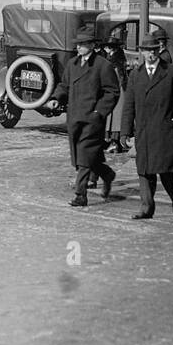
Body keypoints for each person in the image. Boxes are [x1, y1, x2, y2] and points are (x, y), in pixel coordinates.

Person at [120, 29, 173, 219]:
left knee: (166, 173)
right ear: (141, 52)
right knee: (144, 172)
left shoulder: (172, 72)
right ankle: (146, 208)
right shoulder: (135, 75)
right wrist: (125, 132)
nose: (150, 54)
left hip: (165, 132)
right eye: (146, 50)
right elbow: (129, 106)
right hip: (143, 132)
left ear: (158, 50)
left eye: (153, 50)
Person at [49, 26, 120, 208]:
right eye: (78, 44)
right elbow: (64, 85)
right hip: (74, 118)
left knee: (83, 155)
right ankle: (107, 174)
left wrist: (99, 113)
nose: (79, 47)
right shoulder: (72, 64)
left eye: (82, 44)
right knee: (86, 156)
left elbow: (112, 92)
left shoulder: (103, 65)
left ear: (92, 45)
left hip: (92, 120)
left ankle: (81, 194)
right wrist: (57, 98)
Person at [103, 33, 130, 153]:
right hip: (121, 90)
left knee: (114, 118)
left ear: (110, 48)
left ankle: (115, 143)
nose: (105, 49)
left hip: (117, 91)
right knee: (116, 118)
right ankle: (116, 143)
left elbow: (115, 77)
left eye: (106, 47)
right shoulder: (120, 58)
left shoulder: (112, 61)